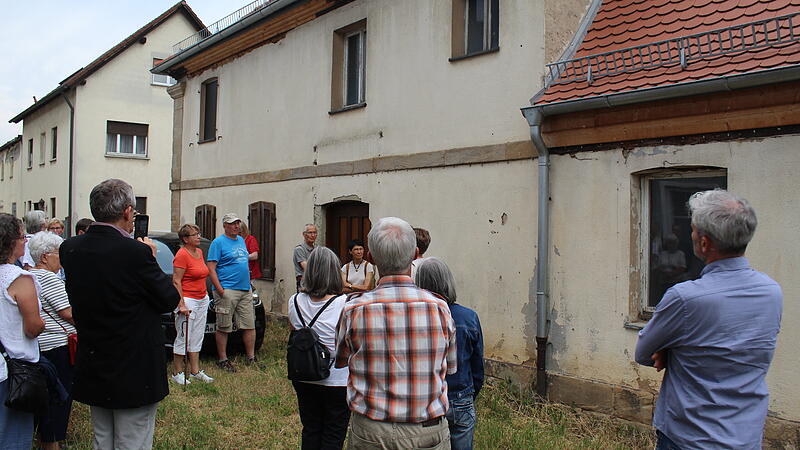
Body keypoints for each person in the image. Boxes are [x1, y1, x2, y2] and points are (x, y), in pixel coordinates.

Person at [635, 189, 782, 450]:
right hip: (746, 436)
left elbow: (644, 353)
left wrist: (671, 351)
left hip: (689, 437)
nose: (690, 234)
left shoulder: (685, 298)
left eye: (692, 230)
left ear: (704, 243)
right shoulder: (771, 291)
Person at [59, 179, 179, 450]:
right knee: (133, 440)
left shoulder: (71, 248)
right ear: (127, 212)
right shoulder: (135, 252)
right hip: (134, 363)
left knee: (102, 438)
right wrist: (150, 257)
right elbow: (168, 299)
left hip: (94, 357)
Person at [334, 217, 456, 449]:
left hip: (372, 431)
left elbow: (340, 360)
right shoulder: (440, 308)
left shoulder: (353, 309)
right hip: (427, 431)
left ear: (371, 257)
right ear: (415, 255)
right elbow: (450, 367)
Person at [416, 258, 484, 450]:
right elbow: (478, 367)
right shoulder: (468, 317)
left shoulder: (416, 318)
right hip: (460, 396)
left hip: (428, 399)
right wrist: (468, 395)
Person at [288, 247, 350, 449]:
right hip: (336, 378)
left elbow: (295, 333)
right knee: (334, 432)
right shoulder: (344, 304)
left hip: (303, 373)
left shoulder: (294, 301)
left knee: (310, 428)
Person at [0, 213, 45, 450]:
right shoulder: (19, 278)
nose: (25, 241)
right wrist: (43, 323)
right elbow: (32, 328)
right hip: (11, 370)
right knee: (12, 437)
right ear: (10, 242)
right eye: (21, 237)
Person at [28, 231, 75, 450]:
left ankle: (46, 441)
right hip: (57, 345)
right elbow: (68, 312)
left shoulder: (29, 275)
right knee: (58, 398)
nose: (62, 258)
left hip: (41, 346)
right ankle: (51, 444)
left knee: (46, 399)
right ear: (45, 257)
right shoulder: (47, 278)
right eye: (58, 253)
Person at [207, 213, 255, 372]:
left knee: (249, 324)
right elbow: (211, 268)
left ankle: (251, 357)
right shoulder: (218, 243)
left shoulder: (240, 240)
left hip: (244, 289)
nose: (236, 226)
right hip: (227, 289)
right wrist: (221, 290)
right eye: (232, 223)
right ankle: (223, 359)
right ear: (225, 226)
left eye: (237, 223)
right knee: (224, 326)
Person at [171, 224, 214, 385]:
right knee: (184, 335)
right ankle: (177, 372)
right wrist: (181, 304)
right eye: (194, 235)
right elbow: (176, 280)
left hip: (202, 298)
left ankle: (195, 371)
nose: (198, 237)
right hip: (188, 299)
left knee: (197, 335)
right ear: (185, 239)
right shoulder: (182, 255)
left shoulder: (199, 252)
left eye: (198, 234)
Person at [293, 224, 317, 292]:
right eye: (310, 232)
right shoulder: (299, 249)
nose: (313, 235)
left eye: (315, 232)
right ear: (304, 234)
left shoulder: (316, 249)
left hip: (316, 282)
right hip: (304, 283)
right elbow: (307, 267)